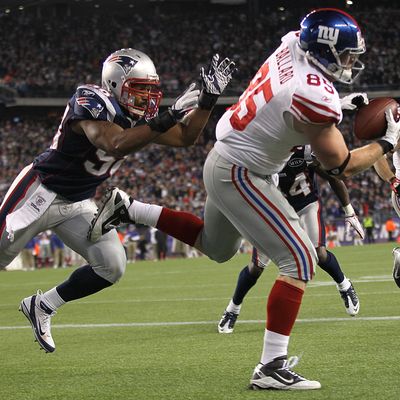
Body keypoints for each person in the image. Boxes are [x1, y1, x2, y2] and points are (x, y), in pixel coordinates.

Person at [89, 9, 400, 390]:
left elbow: (293, 105)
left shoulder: (291, 44)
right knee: (300, 260)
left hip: (223, 158)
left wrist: (338, 105)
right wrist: (387, 142)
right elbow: (342, 165)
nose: (352, 62)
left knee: (216, 247)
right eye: (347, 55)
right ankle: (271, 366)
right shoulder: (313, 94)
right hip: (242, 173)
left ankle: (129, 208)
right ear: (325, 50)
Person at [0, 48, 236, 353]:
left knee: (112, 264)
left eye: (151, 92)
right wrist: (169, 115)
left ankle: (43, 305)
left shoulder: (141, 116)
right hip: (39, 192)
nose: (146, 100)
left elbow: (186, 138)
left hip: (78, 203)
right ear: (114, 85)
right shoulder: (90, 99)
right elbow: (114, 143)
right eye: (139, 91)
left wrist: (207, 99)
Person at [217, 145, 364, 336]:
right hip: (275, 211)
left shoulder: (306, 150)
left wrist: (349, 212)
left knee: (319, 253)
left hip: (306, 205)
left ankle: (344, 285)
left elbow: (332, 177)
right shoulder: (260, 153)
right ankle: (232, 309)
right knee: (256, 266)